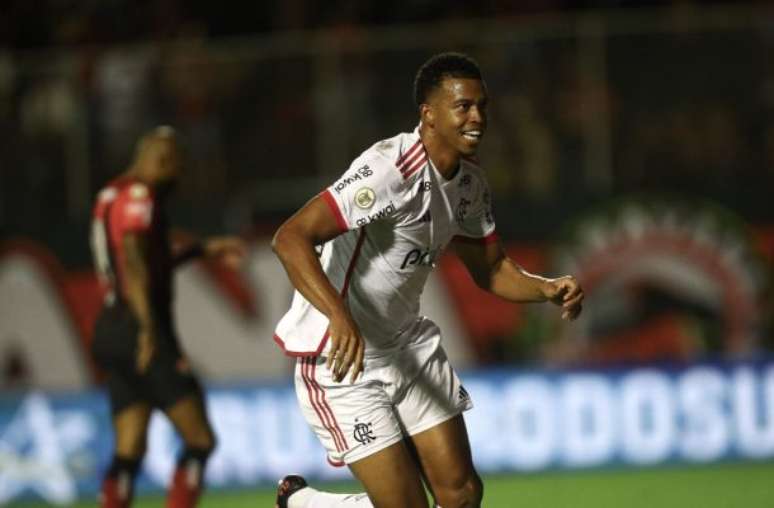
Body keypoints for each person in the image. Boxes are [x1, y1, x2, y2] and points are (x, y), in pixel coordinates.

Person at [271, 53, 584, 508]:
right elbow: (290, 237)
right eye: (463, 107)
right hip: (340, 360)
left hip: (407, 347)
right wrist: (338, 315)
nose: (477, 117)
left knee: (462, 495)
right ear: (429, 114)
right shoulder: (389, 169)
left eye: (482, 106)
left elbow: (491, 269)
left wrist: (546, 288)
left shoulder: (469, 185)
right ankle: (304, 504)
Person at [89, 126, 246, 508]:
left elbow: (150, 255)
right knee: (200, 440)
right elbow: (135, 262)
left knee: (129, 449)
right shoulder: (140, 196)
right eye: (177, 165)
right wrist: (147, 330)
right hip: (141, 329)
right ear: (161, 161)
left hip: (110, 329)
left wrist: (202, 249)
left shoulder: (111, 194)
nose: (179, 174)